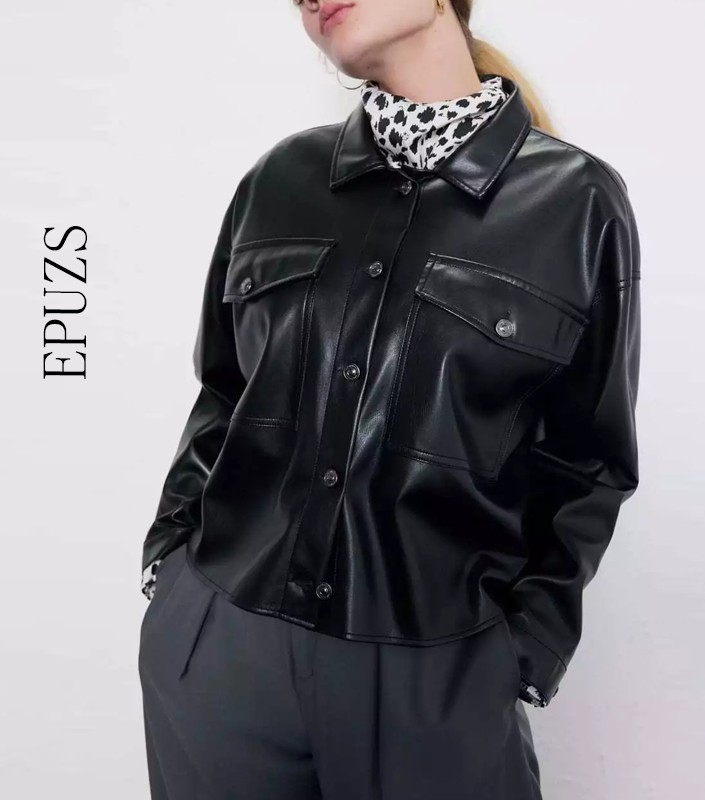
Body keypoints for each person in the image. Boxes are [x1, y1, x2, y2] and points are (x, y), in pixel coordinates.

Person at [137, 1, 642, 798]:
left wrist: (521, 651)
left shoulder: (577, 204)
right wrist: (169, 559)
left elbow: (590, 460)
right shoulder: (278, 180)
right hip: (221, 643)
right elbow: (224, 392)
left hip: (435, 675)